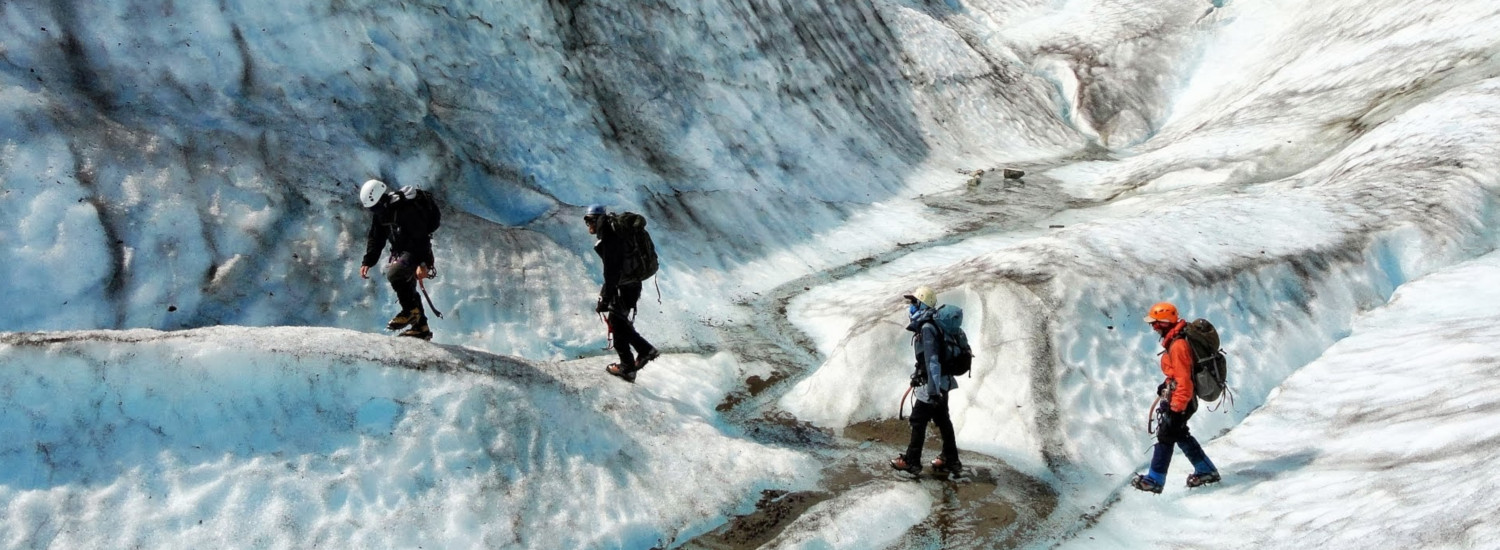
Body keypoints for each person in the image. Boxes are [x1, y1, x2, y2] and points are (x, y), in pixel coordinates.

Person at [1132, 301, 1222, 493]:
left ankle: (1155, 479)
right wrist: (1166, 385)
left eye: (1155, 323)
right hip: (1180, 397)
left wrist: (1176, 408)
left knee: (1166, 434)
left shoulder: (1178, 345)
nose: (1153, 327)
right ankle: (1206, 470)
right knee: (1179, 433)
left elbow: (1185, 381)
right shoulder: (1175, 340)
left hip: (1182, 399)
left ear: (1163, 323)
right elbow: (1180, 374)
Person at [890, 286, 961, 476]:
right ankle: (950, 460)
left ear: (923, 304)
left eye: (914, 302)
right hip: (941, 383)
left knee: (918, 420)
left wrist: (932, 390)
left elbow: (932, 361)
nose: (910, 306)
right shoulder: (932, 324)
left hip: (933, 385)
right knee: (943, 419)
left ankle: (911, 461)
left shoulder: (927, 328)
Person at [585, 205, 659, 382]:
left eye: (588, 220)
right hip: (631, 284)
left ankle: (632, 362)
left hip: (624, 287)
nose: (587, 225)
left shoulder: (610, 237)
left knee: (616, 323)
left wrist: (605, 298)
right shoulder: (616, 232)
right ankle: (639, 356)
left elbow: (611, 272)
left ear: (596, 219)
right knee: (618, 322)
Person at [357, 179, 437, 340]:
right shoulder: (382, 214)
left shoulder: (405, 210)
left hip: (417, 251)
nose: (373, 211)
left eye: (374, 207)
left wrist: (423, 264)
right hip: (403, 251)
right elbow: (376, 237)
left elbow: (421, 238)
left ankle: (409, 312)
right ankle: (420, 328)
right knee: (408, 287)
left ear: (380, 199)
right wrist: (368, 261)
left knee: (395, 275)